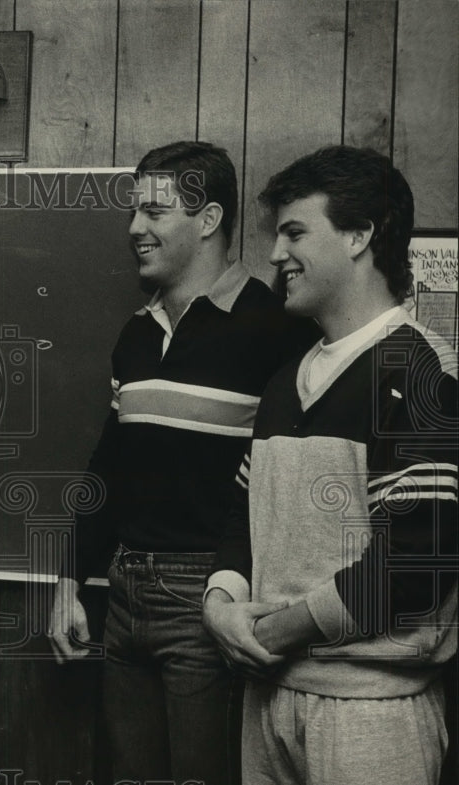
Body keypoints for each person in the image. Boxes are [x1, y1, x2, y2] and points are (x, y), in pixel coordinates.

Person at [48, 141, 315, 784]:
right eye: (133, 212)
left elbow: (283, 488)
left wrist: (234, 591)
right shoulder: (136, 333)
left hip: (209, 598)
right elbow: (109, 465)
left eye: (154, 212)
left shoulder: (277, 327)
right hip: (123, 593)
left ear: (208, 219)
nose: (135, 228)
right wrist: (68, 580)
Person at [203, 145, 457, 785]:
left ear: (359, 236)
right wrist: (220, 607)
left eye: (294, 232)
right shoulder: (288, 380)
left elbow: (415, 563)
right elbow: (244, 518)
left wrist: (274, 633)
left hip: (371, 712)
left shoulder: (424, 371)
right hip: (266, 699)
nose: (274, 255)